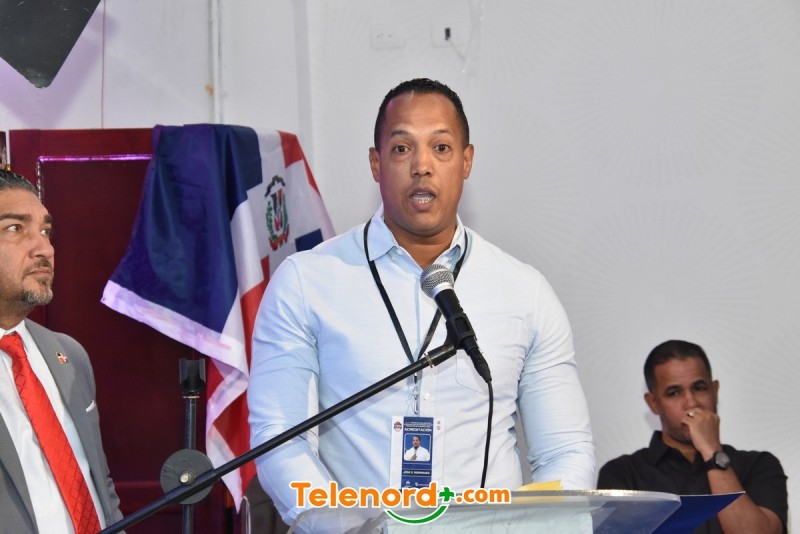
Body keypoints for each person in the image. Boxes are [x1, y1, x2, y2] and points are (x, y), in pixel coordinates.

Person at [248, 78, 595, 524]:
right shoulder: (306, 283)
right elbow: (280, 438)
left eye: (441, 148)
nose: (422, 166)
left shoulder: (524, 292)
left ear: (466, 161)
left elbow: (564, 452)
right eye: (401, 148)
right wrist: (346, 529)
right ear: (376, 163)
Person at [0, 169, 123, 533]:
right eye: (15, 228)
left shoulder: (69, 355)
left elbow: (100, 485)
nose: (44, 249)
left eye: (45, 231)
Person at [597, 340, 788, 534]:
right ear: (653, 403)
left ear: (715, 391)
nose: (691, 403)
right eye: (674, 393)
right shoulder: (623, 474)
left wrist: (712, 452)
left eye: (700, 388)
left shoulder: (758, 465)